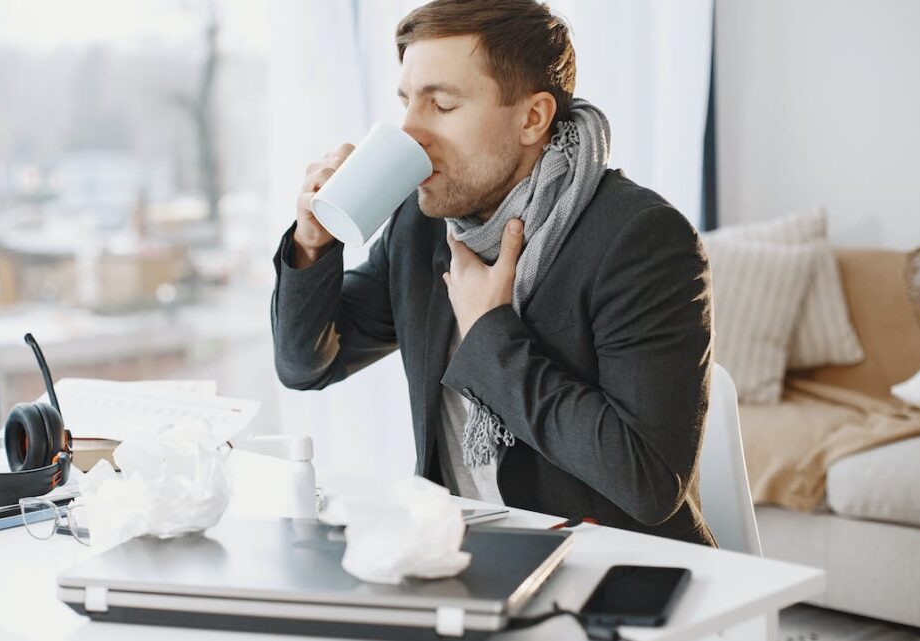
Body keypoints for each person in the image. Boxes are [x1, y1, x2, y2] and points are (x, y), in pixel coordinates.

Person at [271, 0, 715, 546]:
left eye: (443, 105)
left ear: (532, 117)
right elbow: (308, 363)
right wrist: (312, 244)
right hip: (461, 555)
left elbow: (648, 482)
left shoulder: (640, 239)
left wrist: (490, 335)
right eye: (408, 102)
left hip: (611, 570)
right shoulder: (422, 224)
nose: (410, 131)